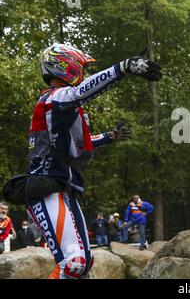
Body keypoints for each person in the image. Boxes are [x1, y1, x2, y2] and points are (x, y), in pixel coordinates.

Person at [24, 43, 161, 279]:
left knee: (84, 264)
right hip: (46, 189)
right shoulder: (54, 98)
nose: (83, 74)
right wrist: (123, 67)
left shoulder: (61, 106)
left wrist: (109, 136)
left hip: (64, 190)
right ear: (65, 66)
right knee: (74, 263)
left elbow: (81, 143)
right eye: (81, 67)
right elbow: (81, 92)